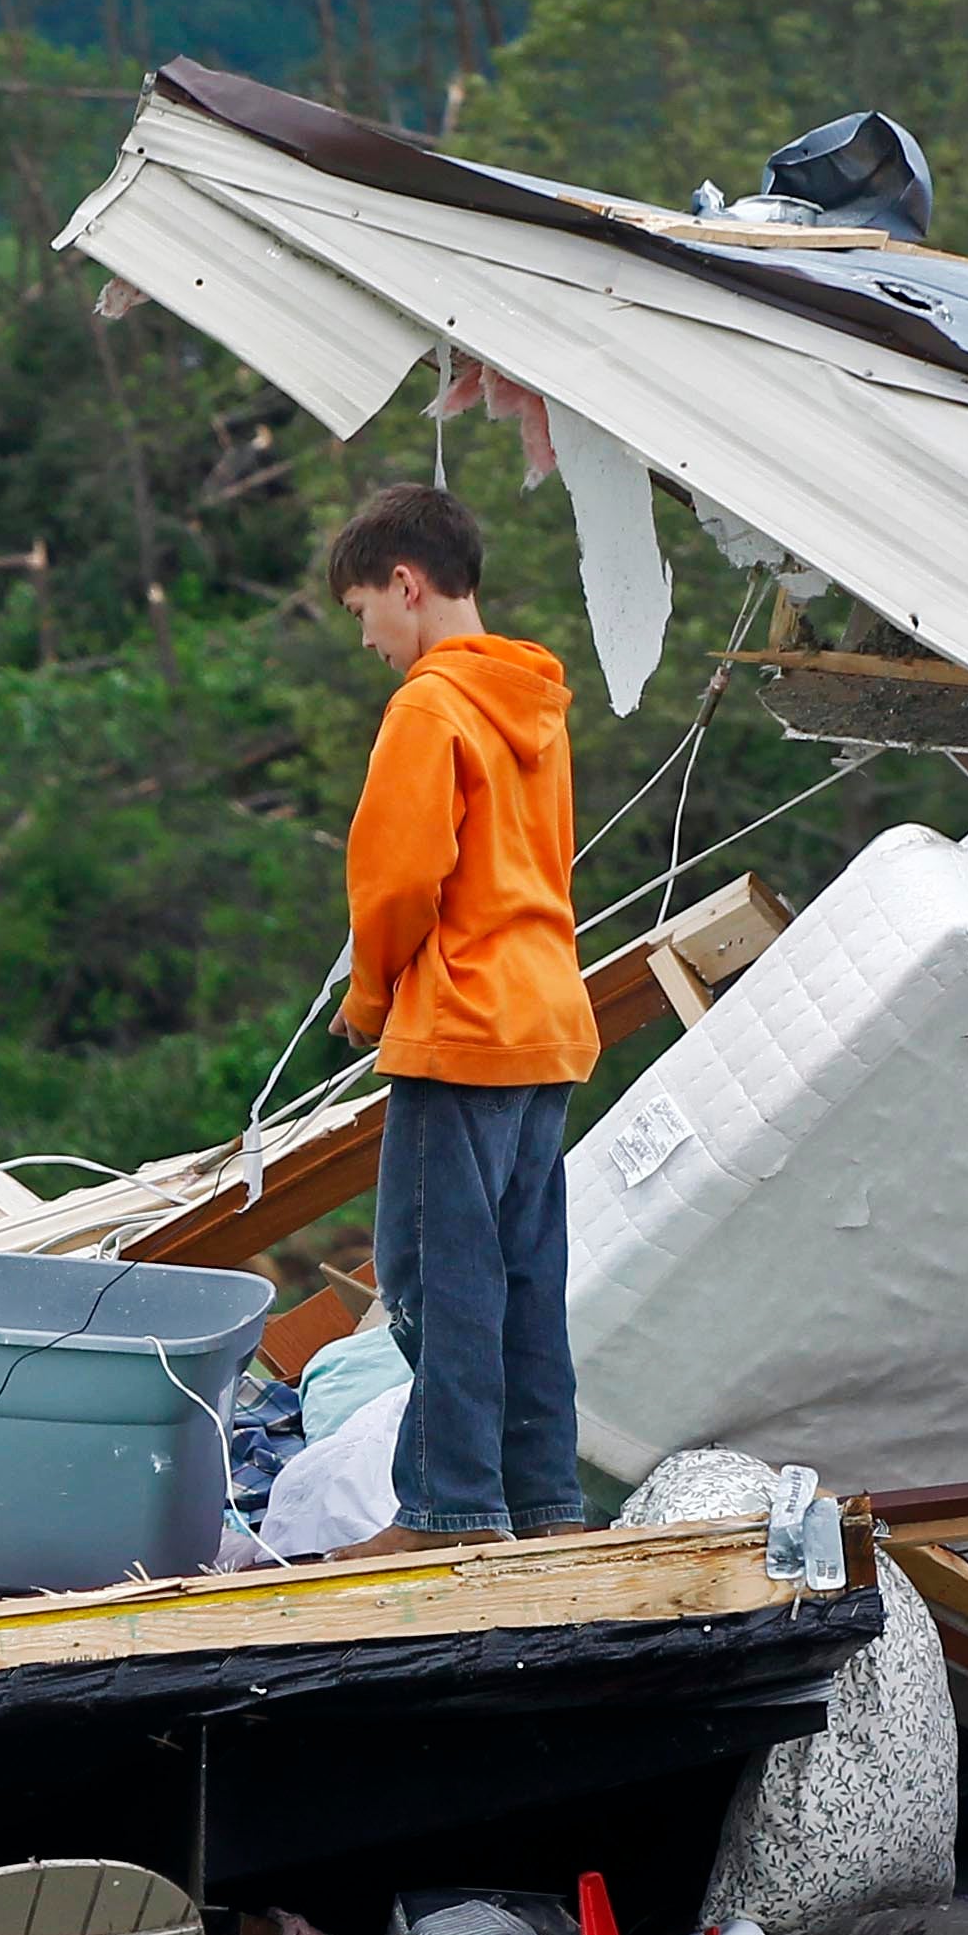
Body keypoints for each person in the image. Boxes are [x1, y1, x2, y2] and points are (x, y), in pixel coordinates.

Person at [319, 481, 592, 1554]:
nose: (367, 640)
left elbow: (398, 878)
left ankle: (449, 1513)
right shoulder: (536, 704)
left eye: (362, 612)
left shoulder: (430, 707)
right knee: (525, 1277)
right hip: (547, 1016)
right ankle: (544, 1504)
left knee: (436, 1273)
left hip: (465, 1023)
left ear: (405, 583)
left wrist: (370, 997)